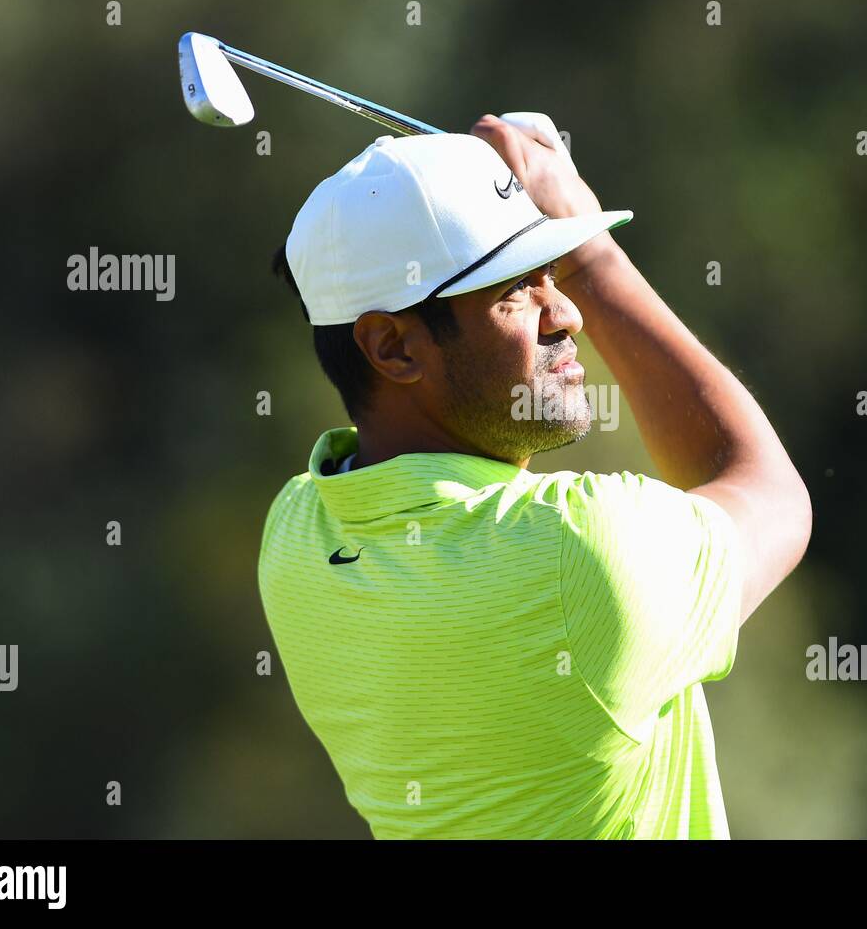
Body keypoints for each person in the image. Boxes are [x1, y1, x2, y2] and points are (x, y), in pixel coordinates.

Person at [258, 113, 811, 838]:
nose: (569, 314)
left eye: (555, 272)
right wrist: (595, 252)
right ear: (392, 347)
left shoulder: (294, 542)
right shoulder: (577, 552)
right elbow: (765, 487)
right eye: (515, 289)